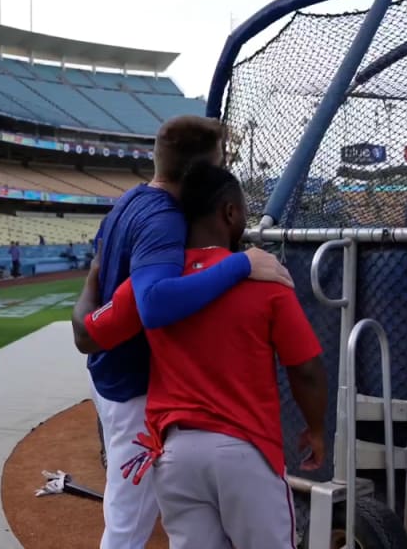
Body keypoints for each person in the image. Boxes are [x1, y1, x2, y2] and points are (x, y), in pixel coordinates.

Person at [72, 164, 328, 549]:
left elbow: (85, 334)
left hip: (176, 458)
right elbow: (305, 369)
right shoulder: (264, 278)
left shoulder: (150, 286)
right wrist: (316, 428)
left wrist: (93, 278)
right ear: (229, 213)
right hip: (246, 452)